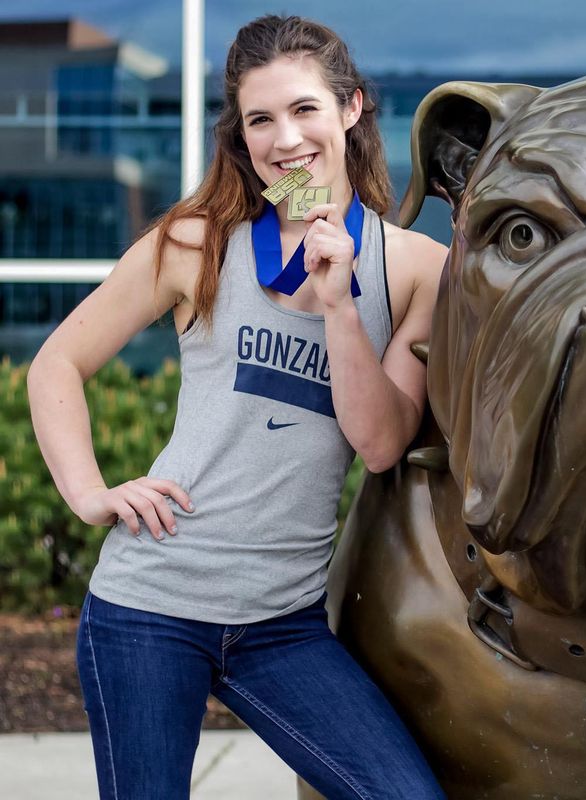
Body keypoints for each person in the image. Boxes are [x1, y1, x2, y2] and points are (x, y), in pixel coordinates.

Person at [27, 15, 447, 800]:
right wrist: (90, 494)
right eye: (261, 119)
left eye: (304, 109)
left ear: (351, 108)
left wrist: (339, 308)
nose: (285, 139)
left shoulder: (418, 268)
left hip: (281, 624)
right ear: (241, 135)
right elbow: (57, 363)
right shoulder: (197, 243)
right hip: (148, 607)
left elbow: (383, 444)